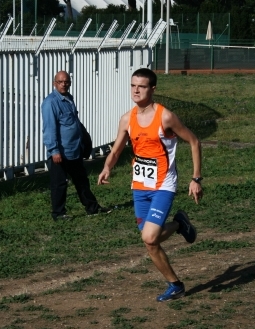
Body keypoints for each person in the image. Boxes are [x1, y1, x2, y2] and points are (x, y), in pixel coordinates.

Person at [97, 68, 203, 302]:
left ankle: (177, 229)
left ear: (153, 89)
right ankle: (175, 282)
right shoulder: (127, 118)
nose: (136, 90)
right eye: (133, 85)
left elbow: (194, 141)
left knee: (149, 237)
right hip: (140, 186)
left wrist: (196, 178)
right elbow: (116, 150)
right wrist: (107, 167)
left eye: (141, 86)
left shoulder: (165, 116)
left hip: (164, 184)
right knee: (149, 241)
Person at [41, 70, 110, 221]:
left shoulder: (68, 98)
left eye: (66, 82)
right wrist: (54, 151)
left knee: (81, 181)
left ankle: (92, 208)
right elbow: (49, 128)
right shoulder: (50, 103)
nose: (63, 84)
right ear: (55, 83)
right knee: (59, 184)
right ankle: (58, 214)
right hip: (60, 153)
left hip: (73, 150)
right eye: (60, 82)